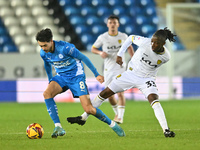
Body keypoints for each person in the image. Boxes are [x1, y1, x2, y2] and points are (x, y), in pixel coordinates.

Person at [67, 27, 176, 137]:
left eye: (156, 43)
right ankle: (83, 117)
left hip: (146, 79)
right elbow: (130, 38)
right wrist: (120, 54)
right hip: (130, 74)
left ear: (163, 43)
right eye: (152, 41)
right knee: (105, 93)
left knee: (154, 99)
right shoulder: (144, 42)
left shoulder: (166, 57)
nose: (153, 44)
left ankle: (166, 130)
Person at [36, 28, 125, 138]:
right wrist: (50, 79)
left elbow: (83, 57)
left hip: (76, 77)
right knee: (47, 94)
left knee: (89, 109)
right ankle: (58, 126)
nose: (43, 48)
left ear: (51, 41)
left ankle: (113, 125)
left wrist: (96, 74)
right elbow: (47, 64)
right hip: (61, 77)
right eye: (41, 46)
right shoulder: (43, 53)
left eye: (45, 45)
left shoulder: (66, 48)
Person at [90, 15, 134, 124]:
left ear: (118, 24)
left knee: (120, 93)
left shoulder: (124, 36)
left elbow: (129, 47)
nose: (112, 24)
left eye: (114, 22)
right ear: (107, 24)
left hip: (120, 68)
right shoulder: (103, 37)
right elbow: (93, 48)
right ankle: (117, 113)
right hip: (108, 69)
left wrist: (133, 58)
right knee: (109, 95)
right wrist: (100, 52)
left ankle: (120, 117)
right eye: (110, 22)